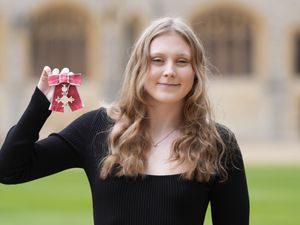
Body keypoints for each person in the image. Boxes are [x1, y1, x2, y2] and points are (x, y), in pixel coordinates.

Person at [0, 17, 249, 225]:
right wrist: (40, 103)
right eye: (157, 60)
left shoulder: (218, 143)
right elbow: (9, 169)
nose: (169, 70)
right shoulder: (96, 128)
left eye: (182, 61)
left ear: (195, 72)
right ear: (139, 67)